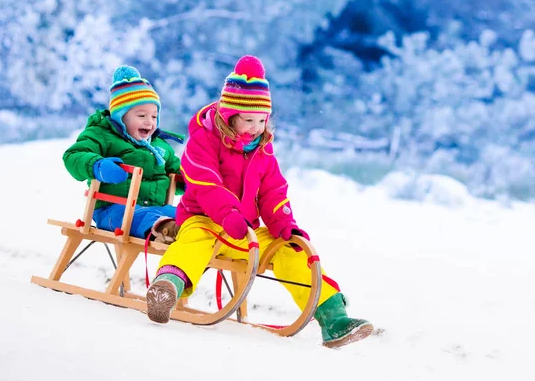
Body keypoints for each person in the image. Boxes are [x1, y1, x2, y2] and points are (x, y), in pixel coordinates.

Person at [145, 55, 373, 348]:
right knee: (193, 244)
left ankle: (333, 317)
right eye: (248, 120)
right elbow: (204, 180)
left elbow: (273, 191)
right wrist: (227, 212)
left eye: (261, 120)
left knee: (290, 251)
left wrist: (283, 223)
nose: (255, 127)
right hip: (203, 219)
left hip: (246, 230)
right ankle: (168, 288)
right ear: (229, 116)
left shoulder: (262, 151)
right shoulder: (204, 140)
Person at [63, 65, 183, 243]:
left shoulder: (160, 146)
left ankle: (187, 231)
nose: (149, 122)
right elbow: (73, 155)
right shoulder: (102, 135)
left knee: (185, 216)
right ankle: (165, 230)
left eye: (154, 116)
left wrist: (192, 182)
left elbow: (179, 171)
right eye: (141, 115)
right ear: (121, 116)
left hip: (157, 208)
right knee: (140, 216)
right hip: (112, 210)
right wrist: (98, 166)